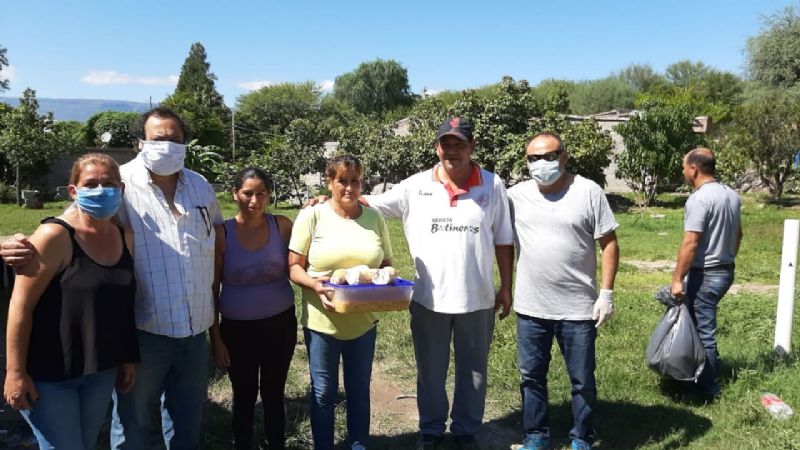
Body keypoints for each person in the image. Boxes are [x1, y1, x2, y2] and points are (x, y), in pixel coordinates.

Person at [0, 107, 223, 449]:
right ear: (140, 143)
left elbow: (218, 235)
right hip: (146, 328)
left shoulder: (200, 185)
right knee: (133, 421)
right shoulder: (120, 183)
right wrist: (8, 243)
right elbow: (72, 224)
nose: (168, 145)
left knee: (187, 416)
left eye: (175, 139)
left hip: (195, 329)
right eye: (158, 139)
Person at [363, 117, 514, 450]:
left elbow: (504, 240)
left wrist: (506, 286)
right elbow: (367, 204)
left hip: (477, 298)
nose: (452, 151)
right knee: (430, 371)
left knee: (473, 372)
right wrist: (327, 200)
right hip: (428, 299)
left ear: (472, 148)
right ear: (437, 148)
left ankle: (465, 429)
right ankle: (430, 429)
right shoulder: (415, 186)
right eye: (446, 144)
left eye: (460, 144)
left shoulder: (492, 185)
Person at [3, 153, 139, 450]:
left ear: (121, 189)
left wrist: (127, 356)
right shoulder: (55, 235)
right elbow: (20, 306)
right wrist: (15, 372)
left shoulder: (125, 236)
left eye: (109, 183)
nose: (101, 190)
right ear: (73, 191)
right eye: (91, 183)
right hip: (51, 375)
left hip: (99, 371)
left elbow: (124, 304)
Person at [508, 132, 619, 450]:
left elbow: (608, 244)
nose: (541, 163)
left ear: (564, 156)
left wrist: (606, 293)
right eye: (533, 158)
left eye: (548, 155)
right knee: (531, 377)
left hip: (577, 308)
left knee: (582, 380)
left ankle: (582, 437)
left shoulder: (588, 191)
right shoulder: (515, 196)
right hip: (531, 307)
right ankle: (536, 435)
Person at [288, 155, 393, 450]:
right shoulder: (313, 215)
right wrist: (314, 284)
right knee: (323, 393)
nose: (349, 187)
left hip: (363, 323)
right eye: (342, 180)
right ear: (330, 182)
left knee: (359, 391)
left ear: (362, 182)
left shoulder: (374, 218)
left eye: (355, 180)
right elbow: (294, 266)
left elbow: (386, 263)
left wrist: (382, 279)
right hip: (323, 322)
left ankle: (358, 445)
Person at [210, 167, 296, 450]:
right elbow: (212, 288)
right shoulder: (222, 234)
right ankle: (242, 443)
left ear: (269, 195)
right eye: (247, 193)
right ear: (235, 194)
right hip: (237, 329)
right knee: (243, 393)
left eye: (261, 194)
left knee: (274, 391)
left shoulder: (281, 225)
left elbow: (309, 246)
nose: (254, 200)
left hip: (280, 324)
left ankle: (276, 443)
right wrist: (216, 338)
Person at [671, 147, 742, 398]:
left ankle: (707, 389)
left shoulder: (699, 199)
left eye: (683, 166)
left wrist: (677, 278)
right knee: (701, 324)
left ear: (694, 168)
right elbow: (739, 234)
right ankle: (695, 375)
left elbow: (691, 242)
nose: (682, 171)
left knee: (703, 331)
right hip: (725, 270)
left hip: (707, 273)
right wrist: (727, 256)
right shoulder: (730, 195)